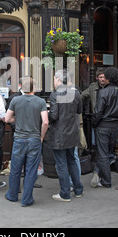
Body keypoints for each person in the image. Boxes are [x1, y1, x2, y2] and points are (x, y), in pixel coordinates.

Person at [5, 77, 49, 207]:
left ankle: (12, 195)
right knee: (31, 170)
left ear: (21, 87)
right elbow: (45, 122)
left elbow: (7, 119)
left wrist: (18, 119)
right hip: (34, 139)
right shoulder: (40, 101)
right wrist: (41, 136)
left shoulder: (15, 100)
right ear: (34, 88)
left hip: (19, 138)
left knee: (15, 169)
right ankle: (27, 199)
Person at [48, 70, 83, 202]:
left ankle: (65, 193)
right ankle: (78, 190)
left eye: (54, 79)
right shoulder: (76, 93)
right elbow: (79, 111)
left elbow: (54, 115)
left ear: (57, 79)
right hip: (72, 132)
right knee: (72, 161)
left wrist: (48, 113)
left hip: (59, 134)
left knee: (61, 164)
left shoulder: (55, 94)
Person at [91, 67, 118, 188]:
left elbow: (98, 112)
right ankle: (100, 174)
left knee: (102, 153)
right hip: (116, 126)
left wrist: (94, 123)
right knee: (108, 152)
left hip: (103, 125)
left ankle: (106, 180)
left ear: (108, 78)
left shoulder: (103, 92)